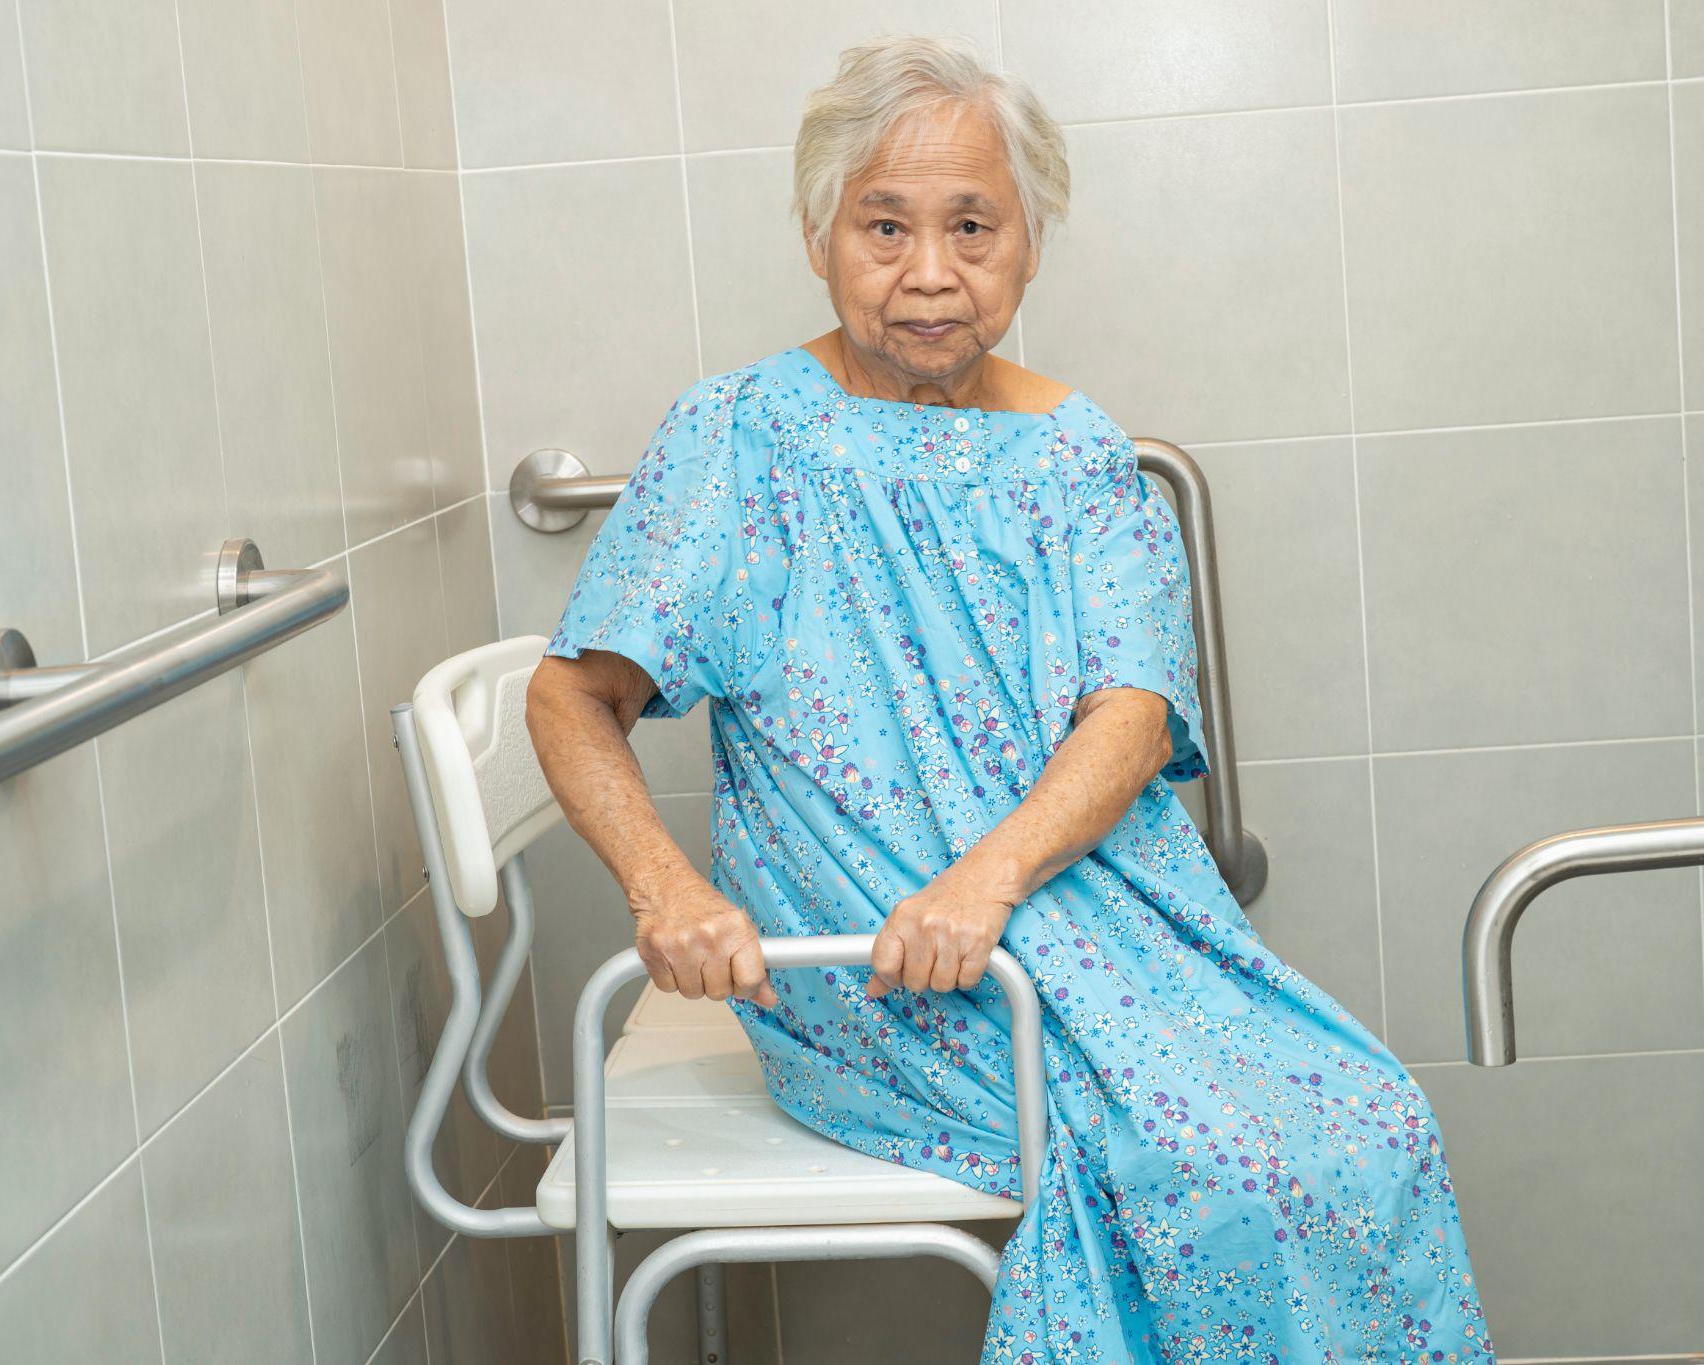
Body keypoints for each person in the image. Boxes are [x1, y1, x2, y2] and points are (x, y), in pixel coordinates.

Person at [525, 31, 1493, 1364]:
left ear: (1029, 244)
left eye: (973, 226)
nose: (931, 272)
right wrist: (664, 889)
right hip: (874, 969)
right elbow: (575, 698)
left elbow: (1133, 715)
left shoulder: (1078, 454)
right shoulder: (737, 439)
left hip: (1077, 915)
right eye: (885, 225)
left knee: (1369, 1121)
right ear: (819, 237)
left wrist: (986, 881)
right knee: (1215, 1163)